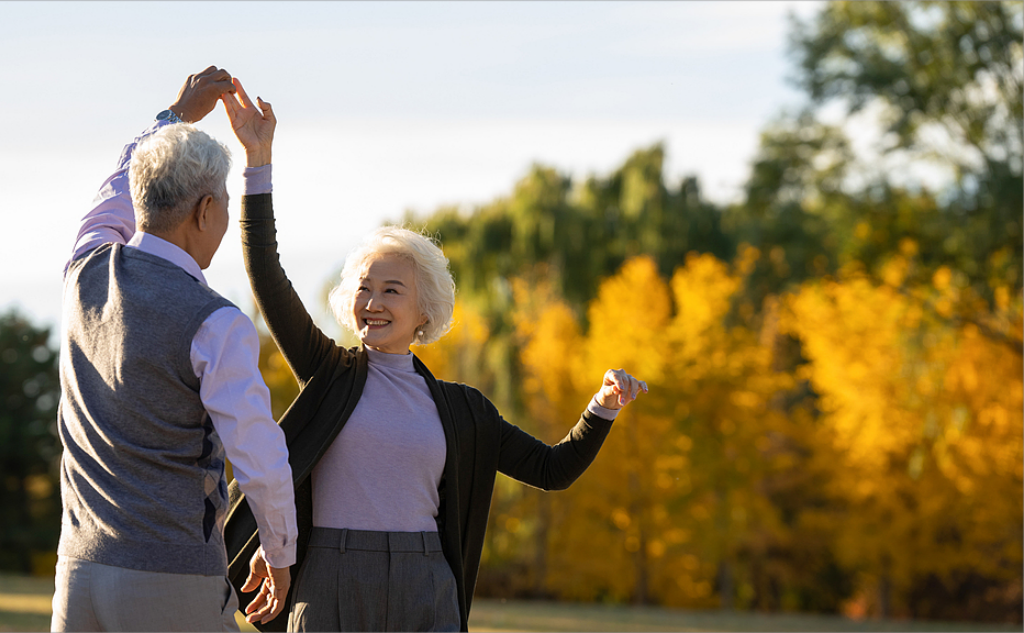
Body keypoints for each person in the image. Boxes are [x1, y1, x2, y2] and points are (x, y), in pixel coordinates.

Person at [218, 80, 649, 632]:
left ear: (426, 310)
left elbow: (552, 469)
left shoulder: (464, 411)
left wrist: (603, 407)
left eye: (392, 290)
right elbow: (269, 278)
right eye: (364, 288)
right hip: (329, 578)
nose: (372, 302)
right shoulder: (330, 374)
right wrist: (258, 163)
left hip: (427, 584)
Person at [52, 67, 297, 633]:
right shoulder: (216, 322)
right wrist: (280, 551)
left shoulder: (83, 273)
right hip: (171, 579)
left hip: (78, 574)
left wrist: (174, 117)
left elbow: (114, 191)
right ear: (206, 212)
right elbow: (259, 457)